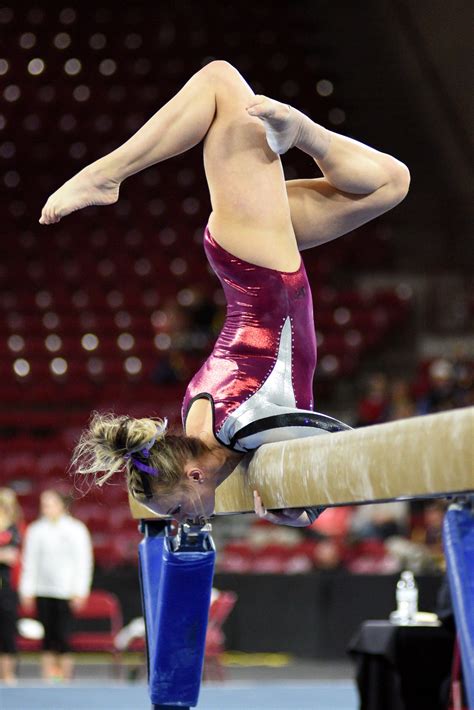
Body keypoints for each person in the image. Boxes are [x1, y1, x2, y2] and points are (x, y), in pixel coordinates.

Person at [39, 61, 410, 526]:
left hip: (260, 267)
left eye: (174, 511)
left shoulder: (240, 425)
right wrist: (295, 507)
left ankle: (106, 175)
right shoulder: (201, 429)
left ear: (195, 475)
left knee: (219, 82)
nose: (180, 520)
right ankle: (304, 132)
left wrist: (303, 506)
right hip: (258, 256)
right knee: (389, 183)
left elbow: (337, 441)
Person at [19, 490, 93, 681]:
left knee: (63, 637)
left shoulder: (76, 529)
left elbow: (83, 562)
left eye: (50, 504)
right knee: (47, 638)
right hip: (43, 591)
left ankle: (64, 680)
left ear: (62, 505)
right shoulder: (36, 530)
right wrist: (27, 590)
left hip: (66, 592)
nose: (46, 508)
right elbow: (30, 562)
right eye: (43, 504)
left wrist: (80, 591)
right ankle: (48, 681)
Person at [0, 489, 21, 685]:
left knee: (6, 633)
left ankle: (7, 675)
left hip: (5, 589)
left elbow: (11, 556)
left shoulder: (12, 529)